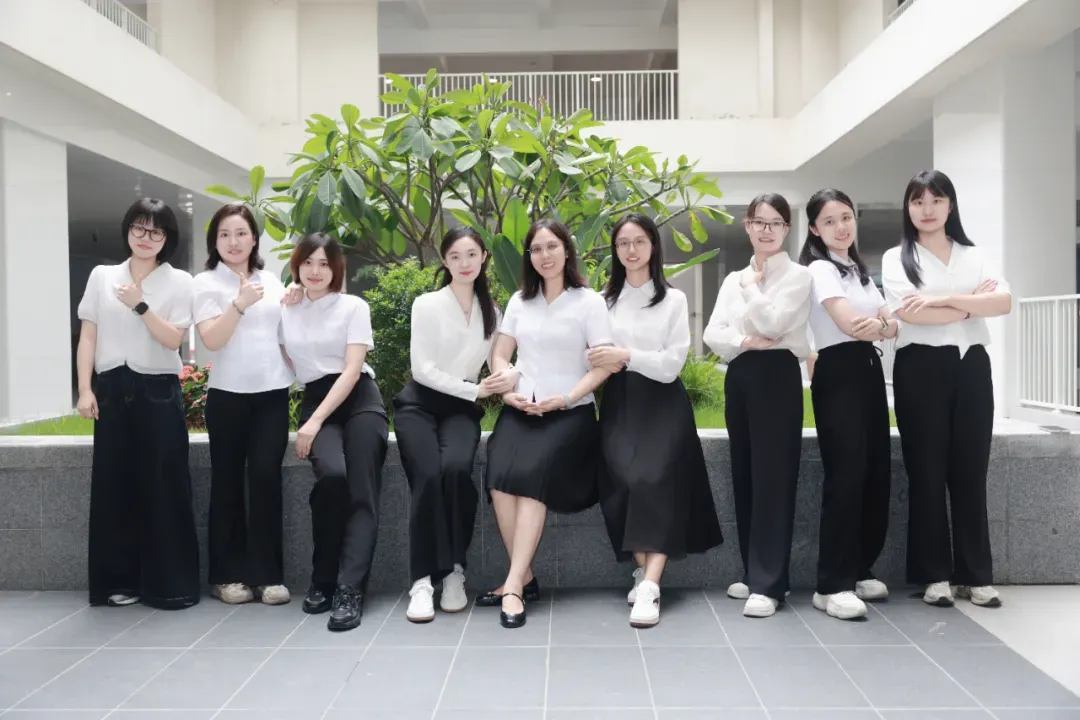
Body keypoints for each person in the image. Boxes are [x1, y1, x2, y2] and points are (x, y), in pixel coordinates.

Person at [882, 169, 1011, 608]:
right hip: (920, 367)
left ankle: (976, 576)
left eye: (936, 200)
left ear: (950, 205)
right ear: (908, 208)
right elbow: (910, 314)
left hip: (971, 366)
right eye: (918, 201)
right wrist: (971, 305)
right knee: (927, 472)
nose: (927, 209)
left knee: (971, 472)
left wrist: (941, 300)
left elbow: (1003, 302)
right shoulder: (896, 258)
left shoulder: (975, 255)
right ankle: (934, 575)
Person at [590, 213, 723, 628]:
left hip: (664, 404)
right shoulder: (601, 301)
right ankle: (643, 570)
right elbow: (593, 356)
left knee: (656, 482)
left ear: (653, 246)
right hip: (619, 402)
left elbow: (671, 365)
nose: (631, 250)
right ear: (615, 250)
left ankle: (649, 585)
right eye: (622, 243)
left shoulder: (673, 299)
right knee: (622, 483)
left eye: (639, 242)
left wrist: (626, 355)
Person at [483, 219, 614, 629]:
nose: (545, 255)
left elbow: (604, 364)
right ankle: (525, 576)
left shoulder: (589, 302)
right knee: (499, 478)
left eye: (552, 246)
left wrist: (568, 397)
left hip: (569, 412)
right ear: (529, 257)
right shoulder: (520, 301)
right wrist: (507, 391)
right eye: (536, 249)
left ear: (567, 250)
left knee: (533, 479)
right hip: (522, 407)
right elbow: (500, 354)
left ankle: (513, 587)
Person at [75, 197, 200, 610]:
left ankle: (171, 586)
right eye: (139, 228)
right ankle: (119, 582)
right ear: (128, 229)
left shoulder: (179, 281)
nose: (146, 238)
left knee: (165, 485)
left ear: (168, 238)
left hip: (158, 390)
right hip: (112, 389)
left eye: (156, 231)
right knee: (114, 486)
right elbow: (89, 335)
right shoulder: (102, 276)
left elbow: (173, 339)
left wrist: (140, 305)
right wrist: (85, 389)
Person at [394, 227, 518, 623]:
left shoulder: (493, 311)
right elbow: (422, 369)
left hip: (461, 411)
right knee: (428, 474)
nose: (464, 263)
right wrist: (475, 390)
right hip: (419, 405)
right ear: (444, 261)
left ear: (484, 258)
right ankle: (421, 581)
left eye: (471, 255)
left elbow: (501, 360)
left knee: (456, 471)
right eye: (455, 256)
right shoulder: (427, 305)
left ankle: (453, 571)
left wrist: (509, 378)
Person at [703, 193, 812, 618]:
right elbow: (713, 334)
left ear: (787, 229)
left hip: (778, 376)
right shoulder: (732, 278)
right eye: (759, 222)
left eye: (776, 223)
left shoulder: (798, 277)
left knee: (774, 477)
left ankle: (770, 584)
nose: (767, 230)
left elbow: (775, 323)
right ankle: (754, 572)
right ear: (747, 226)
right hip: (742, 374)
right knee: (746, 473)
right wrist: (744, 340)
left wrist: (752, 291)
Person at [280, 233, 389, 631]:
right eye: (308, 262)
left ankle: (349, 589)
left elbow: (353, 369)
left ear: (336, 268)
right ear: (297, 265)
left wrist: (312, 422)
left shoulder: (353, 306)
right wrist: (291, 296)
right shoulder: (286, 308)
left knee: (362, 489)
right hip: (315, 397)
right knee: (332, 477)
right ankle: (323, 577)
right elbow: (284, 358)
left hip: (359, 399)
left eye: (324, 263)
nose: (315, 271)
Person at [798, 189, 895, 621]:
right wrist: (881, 325)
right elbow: (849, 323)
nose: (841, 227)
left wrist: (880, 326)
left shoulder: (858, 270)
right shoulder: (820, 269)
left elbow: (891, 322)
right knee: (846, 473)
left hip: (869, 370)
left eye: (846, 217)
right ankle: (831, 585)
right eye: (830, 220)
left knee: (875, 471)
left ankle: (857, 568)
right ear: (815, 229)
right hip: (838, 373)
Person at [192, 204, 294, 607]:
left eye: (240, 233)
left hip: (272, 394)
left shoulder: (271, 280)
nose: (233, 242)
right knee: (228, 483)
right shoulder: (205, 283)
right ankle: (226, 575)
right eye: (224, 235)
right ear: (214, 242)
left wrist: (296, 299)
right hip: (228, 396)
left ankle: (268, 575)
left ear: (254, 238)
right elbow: (211, 341)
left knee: (267, 479)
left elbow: (285, 334)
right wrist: (239, 303)